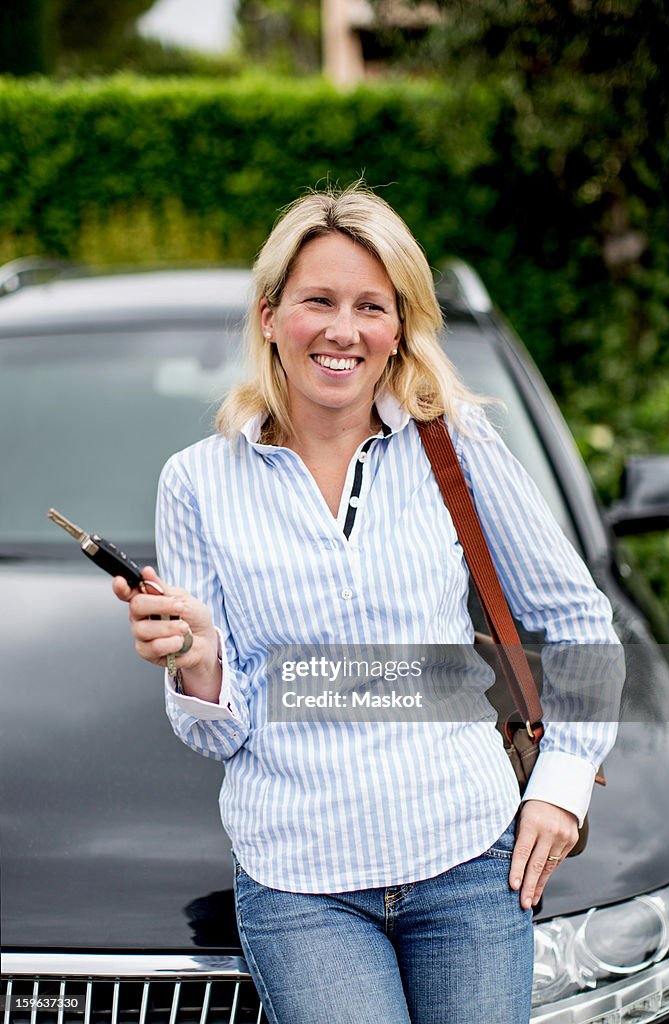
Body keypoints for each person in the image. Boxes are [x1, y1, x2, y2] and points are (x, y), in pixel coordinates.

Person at [113, 182, 621, 1024]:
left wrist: (562, 787)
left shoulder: (452, 444)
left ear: (397, 329)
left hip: (468, 863)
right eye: (318, 300)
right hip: (302, 884)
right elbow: (222, 731)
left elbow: (576, 617)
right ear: (272, 315)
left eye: (370, 307)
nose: (342, 330)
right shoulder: (198, 483)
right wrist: (198, 664)